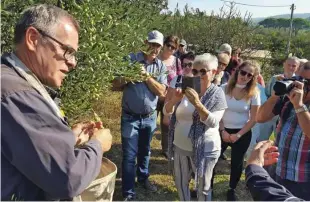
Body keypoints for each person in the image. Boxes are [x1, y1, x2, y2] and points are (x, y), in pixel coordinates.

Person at [1, 4, 112, 201]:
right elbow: (68, 178)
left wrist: (67, 139)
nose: (73, 62)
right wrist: (97, 145)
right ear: (33, 39)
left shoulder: (11, 82)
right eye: (67, 50)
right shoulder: (16, 94)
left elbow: (26, 153)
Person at [112, 30, 167, 201]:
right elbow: (114, 85)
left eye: (158, 45)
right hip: (130, 117)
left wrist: (146, 77)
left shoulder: (160, 67)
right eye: (152, 44)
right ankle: (128, 192)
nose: (154, 48)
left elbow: (162, 92)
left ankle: (143, 178)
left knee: (145, 151)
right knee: (129, 155)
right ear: (145, 42)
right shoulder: (130, 60)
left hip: (150, 117)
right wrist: (129, 76)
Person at [164, 54, 227, 201]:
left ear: (214, 72)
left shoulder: (217, 94)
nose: (198, 75)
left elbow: (213, 122)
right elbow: (166, 112)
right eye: (195, 71)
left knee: (203, 188)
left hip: (206, 149)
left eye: (203, 71)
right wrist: (174, 100)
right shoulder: (185, 89)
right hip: (180, 145)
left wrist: (197, 104)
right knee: (180, 184)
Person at [256, 62, 310, 200]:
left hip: (303, 178)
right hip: (278, 170)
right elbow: (260, 117)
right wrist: (275, 96)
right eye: (298, 79)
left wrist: (299, 106)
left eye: (305, 82)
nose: (300, 85)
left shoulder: (297, 102)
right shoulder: (287, 100)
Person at [216, 61, 261, 201]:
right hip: (221, 129)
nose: (245, 76)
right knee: (212, 158)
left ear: (253, 78)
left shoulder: (254, 93)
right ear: (237, 71)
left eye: (249, 75)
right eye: (243, 72)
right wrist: (223, 131)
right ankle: (207, 186)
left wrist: (238, 135)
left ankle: (231, 189)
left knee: (237, 162)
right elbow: (217, 112)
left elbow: (254, 119)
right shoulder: (223, 88)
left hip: (242, 133)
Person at [259, 56, 300, 142]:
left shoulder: (298, 82)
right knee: (261, 139)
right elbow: (266, 93)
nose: (291, 67)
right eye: (289, 65)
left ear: (297, 67)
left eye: (294, 66)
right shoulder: (275, 78)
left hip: (285, 116)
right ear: (284, 65)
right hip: (270, 114)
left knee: (279, 140)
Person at [157, 35, 182, 157]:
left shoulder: (176, 61)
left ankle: (166, 148)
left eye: (174, 48)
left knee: (166, 123)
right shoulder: (156, 58)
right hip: (154, 96)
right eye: (169, 45)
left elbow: (179, 77)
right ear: (164, 44)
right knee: (151, 123)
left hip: (170, 97)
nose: (170, 49)